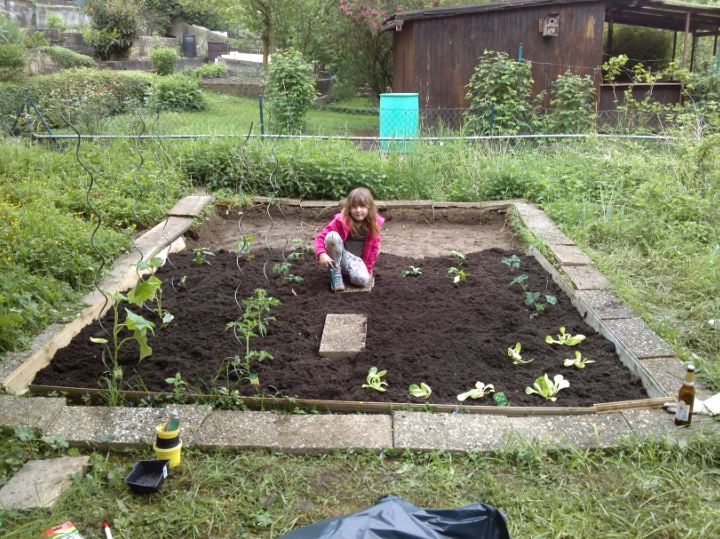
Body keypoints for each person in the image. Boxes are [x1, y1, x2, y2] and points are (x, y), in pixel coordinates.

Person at [314, 187, 385, 292]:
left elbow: (374, 248)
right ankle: (335, 272)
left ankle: (347, 273)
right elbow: (321, 237)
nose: (358, 210)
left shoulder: (374, 224)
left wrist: (368, 268)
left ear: (369, 207)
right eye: (354, 207)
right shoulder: (341, 221)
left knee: (362, 280)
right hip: (341, 257)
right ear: (349, 208)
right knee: (332, 236)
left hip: (357, 262)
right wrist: (321, 253)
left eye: (362, 206)